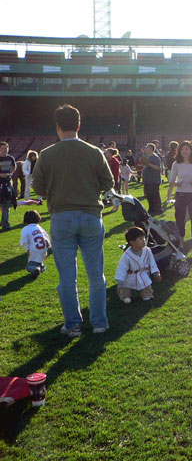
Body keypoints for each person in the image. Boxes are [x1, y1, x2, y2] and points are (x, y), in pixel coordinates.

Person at [32, 104, 113, 337]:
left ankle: (73, 324)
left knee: (67, 276)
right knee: (96, 274)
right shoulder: (94, 152)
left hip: (62, 217)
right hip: (90, 216)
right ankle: (99, 322)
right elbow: (108, 183)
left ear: (57, 126)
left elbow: (39, 188)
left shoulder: (47, 154)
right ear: (79, 125)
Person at [167, 141, 192, 255]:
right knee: (180, 218)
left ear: (191, 151)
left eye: (187, 149)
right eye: (182, 149)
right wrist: (176, 183)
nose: (185, 151)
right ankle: (181, 243)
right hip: (181, 194)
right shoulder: (176, 164)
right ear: (179, 151)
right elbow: (171, 179)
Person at [114, 227, 161, 304]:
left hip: (143, 273)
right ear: (132, 242)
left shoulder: (147, 251)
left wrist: (156, 273)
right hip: (130, 275)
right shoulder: (127, 255)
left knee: (146, 284)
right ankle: (124, 296)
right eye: (140, 238)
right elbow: (121, 269)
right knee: (126, 288)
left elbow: (152, 263)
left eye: (144, 238)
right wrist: (120, 283)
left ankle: (147, 295)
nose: (144, 240)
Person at [19, 209, 50, 279]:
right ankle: (41, 267)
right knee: (38, 259)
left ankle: (35, 270)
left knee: (31, 263)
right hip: (43, 247)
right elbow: (47, 239)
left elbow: (24, 240)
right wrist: (46, 251)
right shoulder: (40, 228)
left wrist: (26, 248)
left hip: (34, 248)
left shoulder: (26, 228)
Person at [141, 143, 163, 216]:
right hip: (147, 180)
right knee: (148, 195)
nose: (145, 149)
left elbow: (158, 168)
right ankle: (151, 209)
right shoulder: (147, 156)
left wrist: (149, 164)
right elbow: (145, 166)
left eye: (147, 148)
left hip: (153, 180)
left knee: (155, 195)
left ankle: (158, 209)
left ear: (150, 149)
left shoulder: (155, 157)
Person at [0, 141, 16, 230]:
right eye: (3, 148)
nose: (5, 150)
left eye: (6, 148)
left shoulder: (11, 158)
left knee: (6, 205)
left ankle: (5, 225)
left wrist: (10, 173)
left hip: (7, 184)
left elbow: (14, 167)